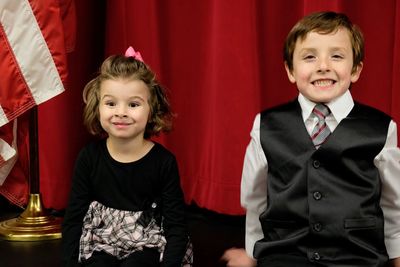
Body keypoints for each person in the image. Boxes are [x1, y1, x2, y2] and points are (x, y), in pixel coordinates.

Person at [222, 11, 400, 267]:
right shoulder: (267, 125)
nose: (323, 66)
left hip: (357, 256)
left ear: (356, 70)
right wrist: (252, 254)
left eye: (336, 56)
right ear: (290, 70)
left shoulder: (381, 128)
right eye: (309, 57)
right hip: (286, 254)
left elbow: (394, 205)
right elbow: (255, 198)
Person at [62, 47, 192, 267]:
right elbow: (73, 220)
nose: (121, 112)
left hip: (147, 244)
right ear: (98, 106)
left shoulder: (163, 162)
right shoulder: (89, 158)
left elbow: (176, 225)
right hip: (100, 243)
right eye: (111, 103)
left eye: (133, 104)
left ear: (152, 109)